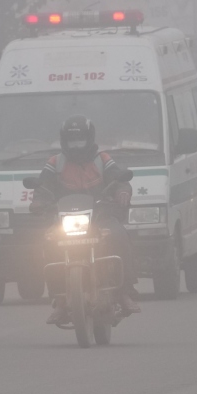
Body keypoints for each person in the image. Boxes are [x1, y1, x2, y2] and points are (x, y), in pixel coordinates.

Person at [31, 115, 141, 324]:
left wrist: (123, 191)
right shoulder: (55, 162)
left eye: (80, 140)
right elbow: (42, 187)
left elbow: (119, 178)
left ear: (89, 138)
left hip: (100, 217)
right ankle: (60, 300)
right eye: (72, 140)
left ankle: (125, 292)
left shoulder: (102, 159)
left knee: (119, 235)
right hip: (64, 220)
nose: (76, 145)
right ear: (64, 140)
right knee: (48, 244)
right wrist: (38, 201)